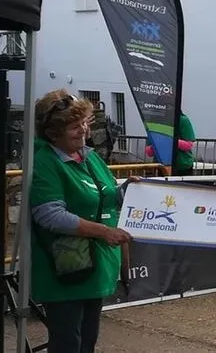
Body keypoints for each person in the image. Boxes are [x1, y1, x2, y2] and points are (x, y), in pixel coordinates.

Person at [30, 90, 137, 353]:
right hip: (66, 268)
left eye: (85, 123)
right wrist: (104, 232)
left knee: (87, 341)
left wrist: (128, 191)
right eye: (74, 126)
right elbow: (50, 215)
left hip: (95, 267)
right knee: (68, 344)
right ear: (53, 133)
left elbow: (104, 196)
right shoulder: (45, 161)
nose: (84, 130)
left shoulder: (88, 156)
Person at [144, 111, 196, 175]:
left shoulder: (182, 119)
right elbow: (149, 152)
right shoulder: (154, 121)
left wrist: (170, 141)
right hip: (161, 166)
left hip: (181, 166)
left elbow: (189, 145)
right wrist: (157, 145)